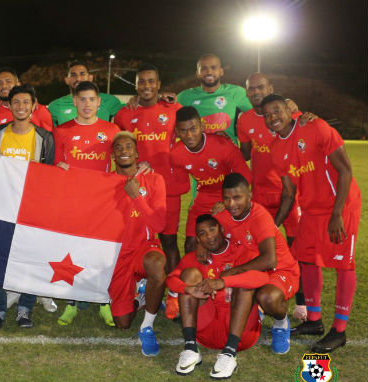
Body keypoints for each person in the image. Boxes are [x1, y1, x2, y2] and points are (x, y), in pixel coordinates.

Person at [263, 94, 362, 352]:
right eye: (267, 114)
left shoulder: (314, 127)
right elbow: (288, 192)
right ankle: (314, 320)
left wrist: (337, 213)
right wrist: (272, 225)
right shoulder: (275, 148)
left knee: (343, 266)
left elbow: (345, 170)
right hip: (310, 210)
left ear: (289, 109)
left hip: (339, 206)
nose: (273, 117)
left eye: (277, 110)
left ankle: (339, 330)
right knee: (306, 260)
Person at [114, 64, 186, 319]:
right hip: (138, 186)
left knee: (169, 241)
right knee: (132, 237)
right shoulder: (125, 113)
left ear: (159, 84)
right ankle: (138, 287)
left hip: (169, 184)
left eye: (151, 81)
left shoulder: (174, 109)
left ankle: (175, 296)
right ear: (135, 86)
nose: (146, 86)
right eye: (141, 82)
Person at [0, 85, 55, 332]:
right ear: (10, 106)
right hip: (1, 206)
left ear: (34, 105)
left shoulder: (45, 138)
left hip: (31, 208)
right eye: (16, 102)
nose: (21, 107)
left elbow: (49, 176)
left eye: (26, 102)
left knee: (28, 260)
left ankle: (25, 307)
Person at [237, 73, 306, 320]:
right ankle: (266, 293)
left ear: (271, 88)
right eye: (251, 89)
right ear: (246, 93)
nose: (256, 92)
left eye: (261, 87)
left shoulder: (290, 113)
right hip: (261, 194)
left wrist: (305, 113)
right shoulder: (244, 120)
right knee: (261, 248)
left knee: (297, 248)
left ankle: (302, 303)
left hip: (291, 193)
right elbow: (243, 153)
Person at [53, 80, 120, 326]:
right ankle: (72, 302)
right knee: (73, 251)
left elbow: (125, 160)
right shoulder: (62, 131)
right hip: (73, 201)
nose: (87, 104)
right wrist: (58, 168)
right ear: (74, 101)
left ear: (99, 101)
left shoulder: (112, 130)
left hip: (103, 202)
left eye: (92, 99)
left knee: (101, 252)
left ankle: (103, 301)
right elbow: (56, 166)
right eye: (82, 99)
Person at [167, 214, 266, 379]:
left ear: (221, 229)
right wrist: (188, 289)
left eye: (212, 229)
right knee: (189, 276)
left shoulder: (241, 251)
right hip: (205, 332)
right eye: (202, 233)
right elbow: (171, 279)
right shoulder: (196, 257)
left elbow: (262, 277)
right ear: (198, 239)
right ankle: (190, 347)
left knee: (244, 283)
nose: (209, 236)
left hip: (240, 332)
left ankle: (229, 353)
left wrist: (224, 282)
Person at [212, 173, 300, 356]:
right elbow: (213, 235)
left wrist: (234, 272)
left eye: (237, 197)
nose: (231, 204)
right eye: (226, 199)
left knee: (267, 297)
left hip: (280, 270)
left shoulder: (260, 216)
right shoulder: (223, 216)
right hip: (254, 270)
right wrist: (202, 247)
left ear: (249, 195)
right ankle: (254, 309)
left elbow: (270, 260)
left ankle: (280, 323)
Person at [108, 131, 168, 357]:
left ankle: (148, 325)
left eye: (128, 147)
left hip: (144, 248)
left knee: (156, 263)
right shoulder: (106, 181)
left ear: (137, 153)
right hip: (118, 255)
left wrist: (136, 196)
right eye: (119, 148)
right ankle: (138, 296)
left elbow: (160, 225)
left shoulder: (154, 179)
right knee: (122, 323)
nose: (124, 151)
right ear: (113, 156)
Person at [170, 106, 251, 254]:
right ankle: (196, 276)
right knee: (190, 245)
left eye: (193, 128)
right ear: (176, 132)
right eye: (183, 130)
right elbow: (182, 186)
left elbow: (245, 175)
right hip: (204, 197)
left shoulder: (222, 145)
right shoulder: (176, 153)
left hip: (228, 195)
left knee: (232, 243)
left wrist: (228, 201)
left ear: (202, 126)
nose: (189, 135)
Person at [177, 54, 252, 145]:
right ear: (198, 73)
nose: (209, 71)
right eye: (204, 68)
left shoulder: (236, 92)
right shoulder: (185, 96)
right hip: (199, 153)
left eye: (213, 67)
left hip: (228, 152)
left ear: (221, 71)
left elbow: (257, 114)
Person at [48, 60, 123, 126]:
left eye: (82, 74)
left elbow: (129, 114)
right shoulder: (55, 106)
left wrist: (134, 99)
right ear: (66, 80)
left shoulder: (110, 101)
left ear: (90, 77)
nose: (78, 78)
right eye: (73, 75)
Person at [0, 67, 53, 131]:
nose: (4, 86)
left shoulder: (39, 110)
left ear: (18, 84)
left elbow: (49, 138)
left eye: (8, 81)